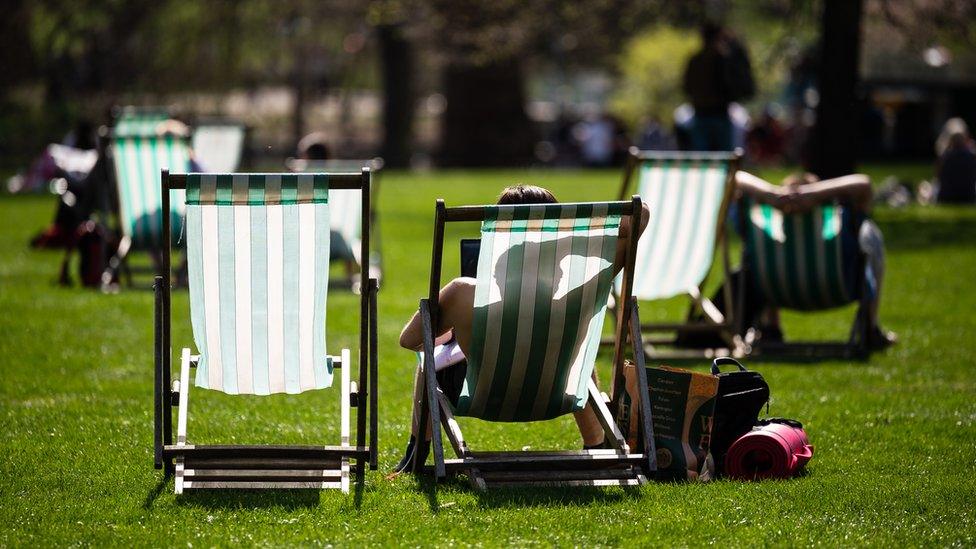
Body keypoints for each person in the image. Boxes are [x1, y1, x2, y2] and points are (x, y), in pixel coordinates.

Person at [393, 185, 650, 473]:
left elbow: (410, 340)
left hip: (486, 398)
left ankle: (415, 455)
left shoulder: (464, 294)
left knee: (431, 360)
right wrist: (558, 242)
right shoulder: (581, 293)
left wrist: (456, 329)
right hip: (557, 394)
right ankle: (598, 447)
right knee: (579, 361)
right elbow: (641, 216)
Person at [734, 171, 897, 348]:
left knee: (759, 248)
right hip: (836, 286)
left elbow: (734, 177)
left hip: (775, 289)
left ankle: (770, 328)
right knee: (870, 233)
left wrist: (772, 196)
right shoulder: (836, 242)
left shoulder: (767, 237)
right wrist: (816, 194)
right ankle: (870, 326)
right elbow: (864, 184)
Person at [682, 23, 754, 151]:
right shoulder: (724, 59)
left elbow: (686, 87)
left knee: (703, 157)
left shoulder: (695, 60)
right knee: (723, 156)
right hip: (718, 114)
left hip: (702, 113)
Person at [934, 118, 976, 204]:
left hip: (946, 198)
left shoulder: (945, 157)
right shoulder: (972, 155)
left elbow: (938, 177)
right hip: (969, 197)